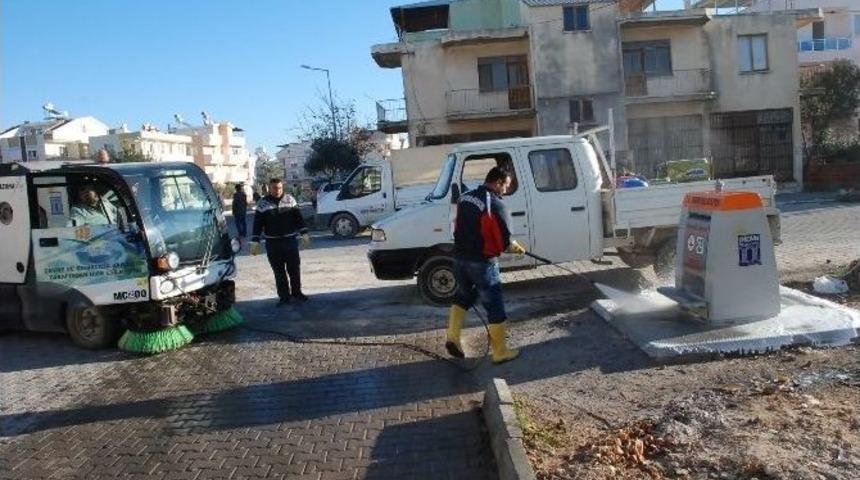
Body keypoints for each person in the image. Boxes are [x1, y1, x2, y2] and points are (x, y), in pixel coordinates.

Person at [445, 167, 526, 364]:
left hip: (459, 258)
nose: (506, 190)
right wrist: (514, 247)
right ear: (497, 182)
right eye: (506, 185)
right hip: (482, 262)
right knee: (494, 304)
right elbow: (505, 241)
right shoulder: (496, 204)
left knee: (463, 297)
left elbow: (456, 225)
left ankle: (452, 337)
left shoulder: (465, 198)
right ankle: (500, 352)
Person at [249, 178, 312, 305]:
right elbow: (257, 224)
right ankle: (284, 297)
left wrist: (304, 233)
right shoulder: (263, 204)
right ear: (269, 188)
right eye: (274, 188)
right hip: (273, 244)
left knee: (294, 269)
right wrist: (255, 241)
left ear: (282, 187)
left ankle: (297, 292)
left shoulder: (290, 200)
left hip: (290, 241)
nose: (277, 190)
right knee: (279, 272)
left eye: (280, 188)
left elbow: (298, 218)